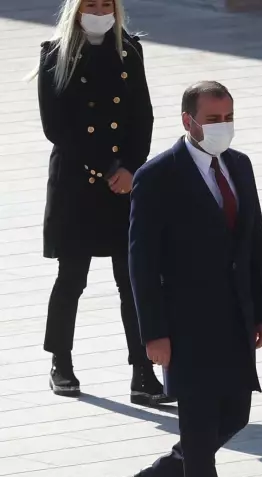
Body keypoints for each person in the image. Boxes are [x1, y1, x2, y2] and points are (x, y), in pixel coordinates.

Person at [128, 81, 262, 477]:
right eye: (212, 118)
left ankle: (164, 475)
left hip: (234, 318)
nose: (222, 126)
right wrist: (152, 333)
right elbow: (141, 260)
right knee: (201, 424)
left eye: (228, 115)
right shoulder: (158, 176)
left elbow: (254, 240)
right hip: (185, 326)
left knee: (235, 417)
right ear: (188, 120)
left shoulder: (240, 165)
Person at [36, 0, 166, 405]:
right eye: (90, 3)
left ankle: (142, 372)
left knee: (131, 280)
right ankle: (61, 359)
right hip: (77, 181)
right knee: (72, 277)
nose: (98, 9)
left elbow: (142, 114)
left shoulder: (129, 50)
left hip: (122, 186)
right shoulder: (55, 54)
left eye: (105, 2)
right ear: (76, 9)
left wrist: (130, 167)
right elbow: (56, 126)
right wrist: (108, 166)